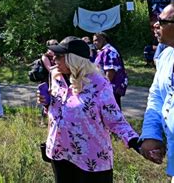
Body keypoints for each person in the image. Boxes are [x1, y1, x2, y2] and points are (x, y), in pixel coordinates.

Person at [38, 36, 140, 183]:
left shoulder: (99, 84)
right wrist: (47, 104)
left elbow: (116, 121)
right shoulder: (56, 76)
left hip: (91, 158)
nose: (54, 59)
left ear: (74, 59)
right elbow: (58, 110)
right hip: (60, 152)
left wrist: (136, 142)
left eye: (59, 56)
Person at [139, 0, 174, 182]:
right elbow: (157, 97)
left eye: (163, 21)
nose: (156, 25)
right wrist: (152, 134)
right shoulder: (166, 55)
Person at [93, 32, 128, 109]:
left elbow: (110, 71)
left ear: (104, 39)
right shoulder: (103, 51)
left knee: (113, 112)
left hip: (111, 88)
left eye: (96, 40)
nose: (94, 43)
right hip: (107, 88)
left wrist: (104, 87)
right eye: (93, 41)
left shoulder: (108, 51)